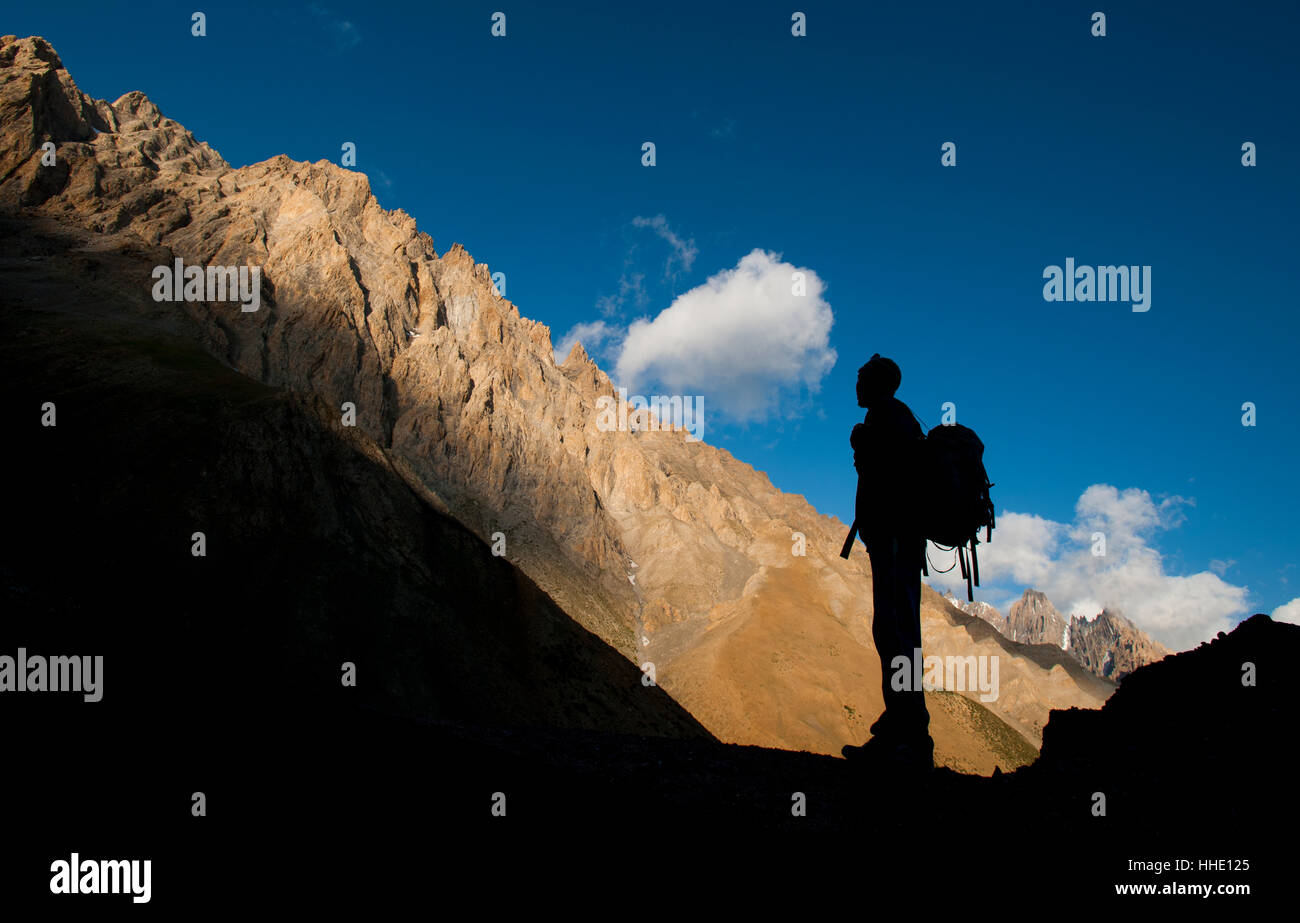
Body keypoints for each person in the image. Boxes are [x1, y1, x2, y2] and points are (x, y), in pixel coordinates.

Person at [841, 354, 934, 772]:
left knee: (896, 632)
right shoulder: (895, 418)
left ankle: (910, 737)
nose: (856, 384)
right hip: (895, 544)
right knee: (893, 631)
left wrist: (863, 444)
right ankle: (901, 726)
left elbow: (889, 480)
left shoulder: (888, 419)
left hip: (896, 544)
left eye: (862, 378)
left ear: (877, 383)